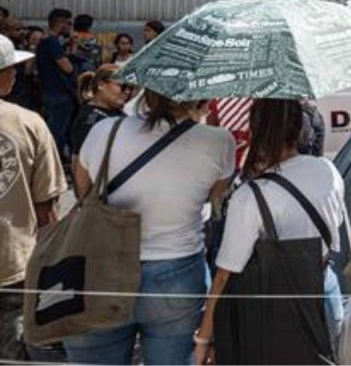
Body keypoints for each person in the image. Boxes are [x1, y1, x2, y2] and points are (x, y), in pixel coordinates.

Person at [64, 90, 235, 365]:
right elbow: (213, 195)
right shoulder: (218, 140)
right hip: (175, 270)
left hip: (101, 267)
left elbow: (84, 192)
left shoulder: (104, 130)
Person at [194, 98, 346, 364]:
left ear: (255, 131)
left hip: (275, 313)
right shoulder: (328, 171)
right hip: (326, 293)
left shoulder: (251, 195)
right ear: (300, 128)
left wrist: (204, 338)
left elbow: (225, 275)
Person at [0, 35, 67, 361]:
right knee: (11, 353)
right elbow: (47, 209)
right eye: (13, 69)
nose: (16, 75)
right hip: (13, 263)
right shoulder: (29, 124)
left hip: (14, 267)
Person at [68, 66, 131, 196]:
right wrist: (85, 201)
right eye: (123, 86)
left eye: (131, 88)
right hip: (103, 197)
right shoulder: (90, 120)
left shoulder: (116, 112)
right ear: (102, 85)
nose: (127, 92)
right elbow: (78, 164)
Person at [36, 8, 78, 163]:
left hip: (52, 92)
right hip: (58, 94)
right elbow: (68, 67)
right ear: (61, 23)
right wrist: (73, 49)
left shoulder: (47, 43)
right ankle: (52, 162)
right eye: (69, 23)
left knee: (61, 129)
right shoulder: (51, 43)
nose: (70, 27)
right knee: (58, 131)